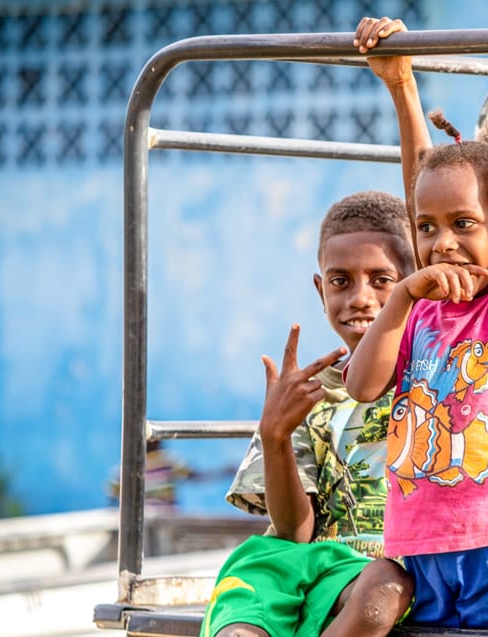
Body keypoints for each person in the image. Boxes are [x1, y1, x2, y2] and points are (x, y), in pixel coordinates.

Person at [345, 14, 488, 633]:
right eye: (427, 228)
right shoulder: (415, 309)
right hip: (419, 548)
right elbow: (361, 386)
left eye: (465, 225)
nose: (443, 243)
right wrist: (401, 84)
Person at [201, 191, 416, 637]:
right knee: (242, 616)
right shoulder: (308, 395)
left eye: (382, 280)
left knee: (380, 591)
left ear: (415, 280)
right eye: (341, 281)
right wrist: (276, 436)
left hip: (379, 570)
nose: (361, 297)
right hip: (301, 565)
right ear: (320, 290)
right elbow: (295, 532)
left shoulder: (435, 383)